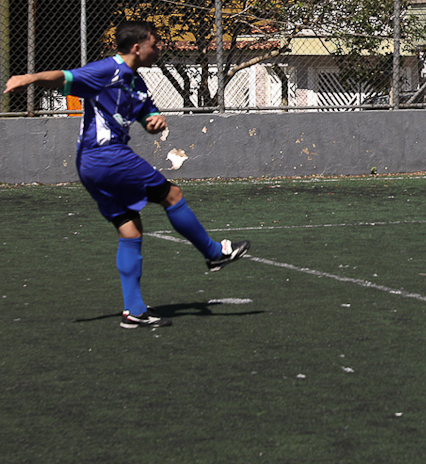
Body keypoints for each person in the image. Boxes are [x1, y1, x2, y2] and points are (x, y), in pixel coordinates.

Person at [3, 21, 248, 329]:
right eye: (154, 45)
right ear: (137, 48)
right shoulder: (107, 70)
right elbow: (65, 77)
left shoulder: (138, 83)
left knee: (130, 230)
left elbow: (147, 117)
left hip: (91, 164)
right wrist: (28, 78)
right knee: (172, 194)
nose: (158, 49)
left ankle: (134, 311)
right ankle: (214, 253)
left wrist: (155, 122)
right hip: (106, 156)